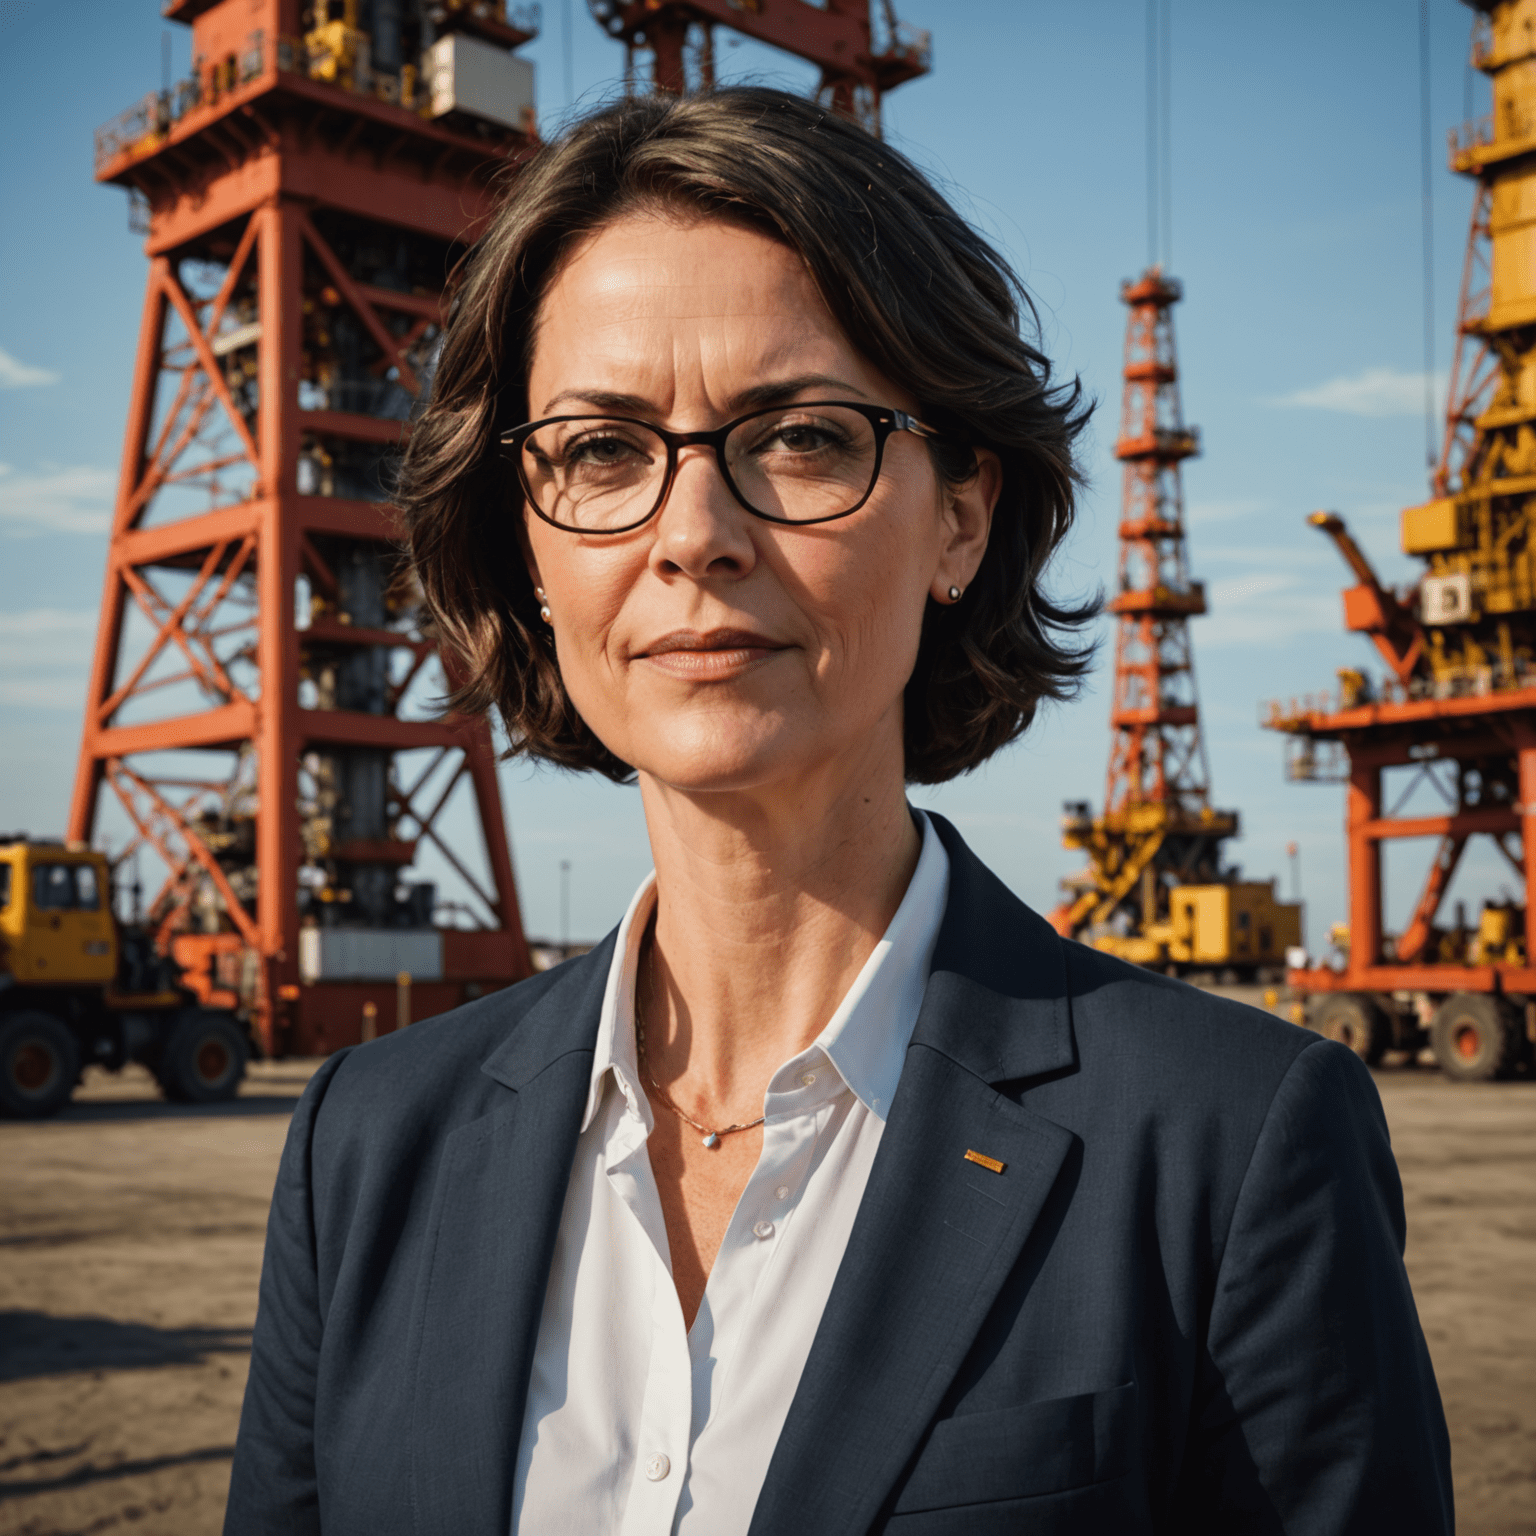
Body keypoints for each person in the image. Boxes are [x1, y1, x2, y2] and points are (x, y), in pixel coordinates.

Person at [225, 87, 1452, 1535]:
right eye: (604, 452)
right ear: (528, 547)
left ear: (962, 515)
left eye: (801, 437)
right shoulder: (368, 1146)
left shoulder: (1231, 1149)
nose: (694, 535)